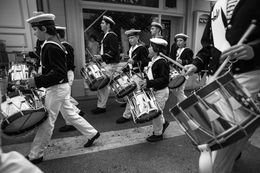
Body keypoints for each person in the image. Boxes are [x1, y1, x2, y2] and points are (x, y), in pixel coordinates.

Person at [184, 0, 260, 172]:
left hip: (246, 75)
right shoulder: (218, 4)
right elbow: (209, 45)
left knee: (227, 135)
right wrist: (197, 63)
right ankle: (234, 149)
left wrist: (254, 50)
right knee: (216, 127)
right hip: (215, 76)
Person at [25, 12, 100, 164]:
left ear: (44, 28)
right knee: (71, 114)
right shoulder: (54, 43)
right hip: (60, 87)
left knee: (47, 121)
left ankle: (35, 155)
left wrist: (37, 81)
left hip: (57, 88)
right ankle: (92, 134)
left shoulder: (51, 46)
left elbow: (58, 73)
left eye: (35, 29)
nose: (34, 33)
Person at [115, 29, 150, 124]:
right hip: (132, 75)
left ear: (137, 38)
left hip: (139, 75)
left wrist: (135, 62)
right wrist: (122, 70)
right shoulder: (130, 49)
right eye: (129, 38)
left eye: (132, 37)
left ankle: (127, 115)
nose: (130, 40)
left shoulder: (141, 48)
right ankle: (144, 112)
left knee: (133, 95)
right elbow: (130, 65)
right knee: (136, 95)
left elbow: (146, 62)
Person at [55, 26, 86, 132]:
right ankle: (76, 112)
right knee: (64, 100)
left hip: (66, 74)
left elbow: (66, 64)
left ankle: (71, 121)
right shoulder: (64, 46)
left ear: (58, 35)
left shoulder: (63, 47)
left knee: (64, 101)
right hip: (67, 74)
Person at [139, 38, 170, 142]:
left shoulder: (162, 62)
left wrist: (148, 83)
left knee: (156, 114)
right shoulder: (153, 61)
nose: (148, 49)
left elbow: (164, 80)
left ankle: (158, 134)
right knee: (158, 112)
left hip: (161, 92)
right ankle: (164, 123)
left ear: (156, 49)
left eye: (150, 47)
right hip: (155, 90)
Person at [91, 15, 120, 114]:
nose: (101, 24)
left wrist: (101, 57)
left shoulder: (112, 35)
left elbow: (113, 51)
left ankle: (101, 107)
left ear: (108, 25)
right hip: (107, 63)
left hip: (110, 64)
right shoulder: (107, 35)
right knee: (114, 83)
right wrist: (100, 57)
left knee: (103, 85)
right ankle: (126, 98)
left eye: (103, 23)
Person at [170, 33, 193, 102]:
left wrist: (183, 62)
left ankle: (185, 103)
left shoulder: (188, 50)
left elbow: (191, 61)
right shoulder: (175, 49)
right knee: (173, 88)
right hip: (175, 71)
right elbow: (172, 59)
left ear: (185, 42)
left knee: (180, 89)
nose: (178, 42)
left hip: (184, 71)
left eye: (181, 40)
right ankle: (185, 102)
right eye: (177, 41)